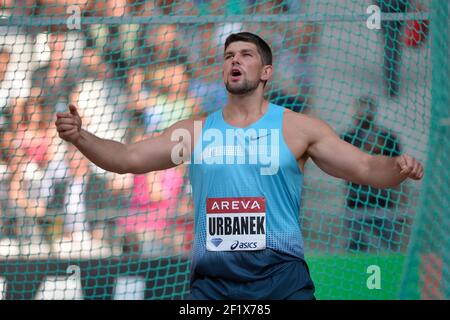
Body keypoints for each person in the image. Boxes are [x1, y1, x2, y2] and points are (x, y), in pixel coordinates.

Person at [55, 32, 423, 300]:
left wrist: (398, 167)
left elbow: (364, 168)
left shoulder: (298, 129)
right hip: (213, 288)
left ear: (266, 72)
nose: (235, 60)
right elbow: (126, 160)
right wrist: (80, 137)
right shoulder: (194, 133)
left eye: (246, 54)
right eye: (229, 55)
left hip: (282, 283)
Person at [342, 96, 406, 252]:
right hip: (356, 202)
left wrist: (402, 202)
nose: (363, 113)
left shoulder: (388, 138)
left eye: (366, 109)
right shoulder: (347, 138)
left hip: (383, 202)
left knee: (386, 247)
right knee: (355, 248)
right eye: (360, 109)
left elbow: (400, 172)